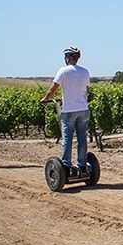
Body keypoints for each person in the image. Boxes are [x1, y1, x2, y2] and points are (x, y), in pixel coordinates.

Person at [41, 47, 91, 177]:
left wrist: (46, 99)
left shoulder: (63, 71)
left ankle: (66, 167)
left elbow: (53, 88)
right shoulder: (85, 72)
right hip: (84, 109)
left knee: (67, 139)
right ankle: (82, 166)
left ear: (67, 58)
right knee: (82, 138)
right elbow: (85, 91)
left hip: (69, 111)